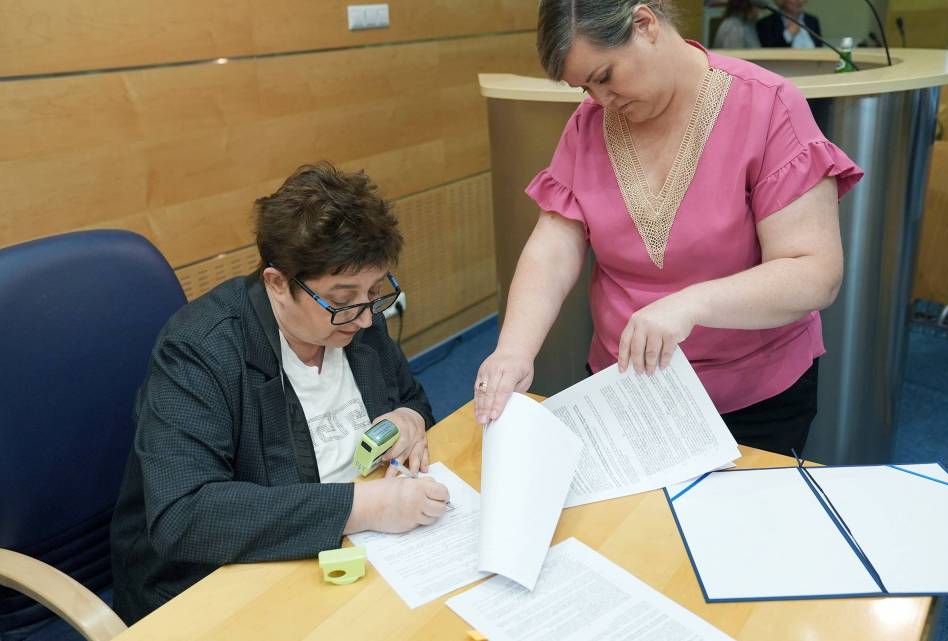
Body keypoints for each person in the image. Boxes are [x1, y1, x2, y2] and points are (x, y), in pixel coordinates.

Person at [474, 0, 862, 457]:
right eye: (586, 88)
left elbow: (814, 273)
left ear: (645, 24)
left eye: (605, 76)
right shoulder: (590, 124)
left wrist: (691, 304)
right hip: (628, 387)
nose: (601, 100)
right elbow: (555, 244)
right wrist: (514, 349)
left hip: (753, 399)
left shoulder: (767, 105)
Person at [111, 162, 449, 623]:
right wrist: (364, 507)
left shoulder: (355, 317)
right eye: (342, 299)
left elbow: (412, 400)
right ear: (277, 283)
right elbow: (184, 516)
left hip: (357, 551)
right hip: (229, 582)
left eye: (375, 291)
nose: (366, 318)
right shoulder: (201, 349)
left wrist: (409, 419)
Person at [756, 0, 823, 48]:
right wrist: (788, 35)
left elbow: (819, 48)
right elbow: (768, 51)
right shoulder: (766, 23)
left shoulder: (812, 21)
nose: (798, 1)